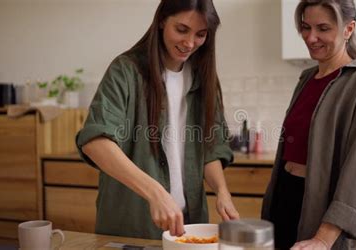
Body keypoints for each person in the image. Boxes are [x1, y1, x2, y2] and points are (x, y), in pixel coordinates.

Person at [76, 0, 239, 240]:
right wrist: (156, 192)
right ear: (162, 20)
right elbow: (95, 142)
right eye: (181, 30)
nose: (189, 43)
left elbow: (210, 149)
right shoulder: (126, 70)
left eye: (201, 34)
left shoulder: (204, 78)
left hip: (187, 225)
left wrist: (222, 191)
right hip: (132, 226)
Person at [261, 0, 356, 249]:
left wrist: (323, 238)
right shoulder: (307, 78)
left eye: (323, 28)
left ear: (348, 29)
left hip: (322, 215)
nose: (311, 37)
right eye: (305, 27)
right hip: (285, 200)